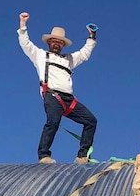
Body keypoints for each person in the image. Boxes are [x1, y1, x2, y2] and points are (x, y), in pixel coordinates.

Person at [17, 11, 98, 164]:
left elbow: (85, 54)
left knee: (91, 121)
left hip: (70, 100)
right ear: (49, 42)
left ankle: (82, 156)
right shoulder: (41, 56)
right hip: (52, 96)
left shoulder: (69, 59)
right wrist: (23, 25)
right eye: (54, 41)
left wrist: (92, 37)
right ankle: (44, 156)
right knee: (53, 122)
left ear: (63, 45)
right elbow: (25, 44)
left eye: (60, 42)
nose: (56, 43)